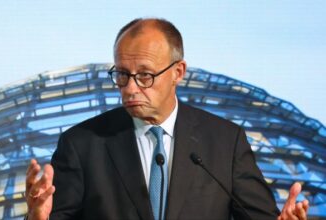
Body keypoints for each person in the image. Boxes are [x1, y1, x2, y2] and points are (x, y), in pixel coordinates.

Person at [25, 18, 309, 220]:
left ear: (178, 72)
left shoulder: (225, 143)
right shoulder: (82, 144)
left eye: (145, 76)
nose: (130, 88)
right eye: (122, 74)